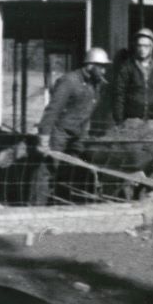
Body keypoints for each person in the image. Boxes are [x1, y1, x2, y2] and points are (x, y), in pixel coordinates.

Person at [28, 47, 109, 203]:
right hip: (60, 132)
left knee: (73, 170)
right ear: (90, 65)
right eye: (101, 67)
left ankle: (63, 204)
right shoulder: (69, 81)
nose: (104, 71)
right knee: (48, 169)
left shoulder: (96, 84)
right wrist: (44, 136)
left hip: (79, 134)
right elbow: (52, 110)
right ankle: (36, 206)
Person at [104, 27, 153, 127]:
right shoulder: (127, 67)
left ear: (152, 46)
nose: (142, 49)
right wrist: (119, 119)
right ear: (135, 46)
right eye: (139, 45)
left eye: (146, 46)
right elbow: (119, 93)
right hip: (131, 120)